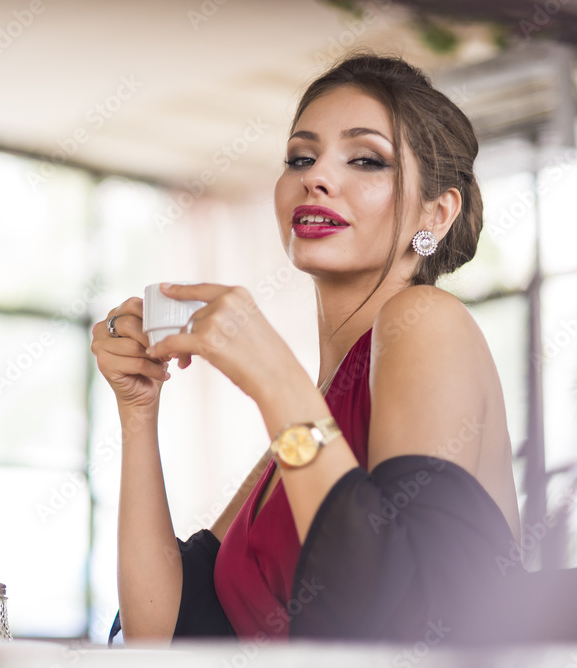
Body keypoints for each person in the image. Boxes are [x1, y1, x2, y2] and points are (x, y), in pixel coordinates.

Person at [90, 53, 521, 644]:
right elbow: (162, 633)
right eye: (300, 157)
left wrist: (272, 375)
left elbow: (398, 616)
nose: (316, 177)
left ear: (436, 212)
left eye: (366, 160)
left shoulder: (424, 321)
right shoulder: (308, 419)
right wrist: (137, 411)